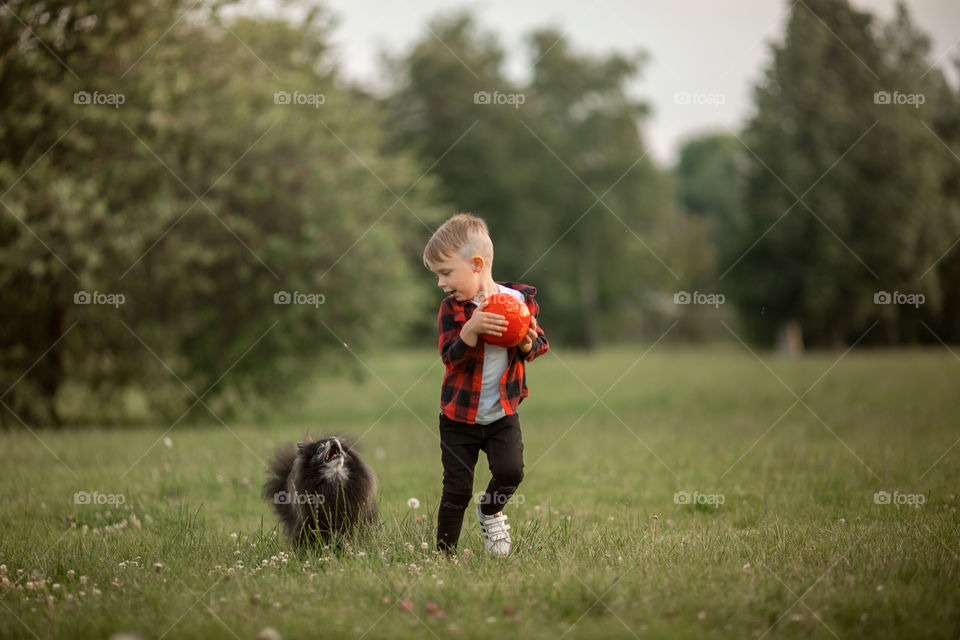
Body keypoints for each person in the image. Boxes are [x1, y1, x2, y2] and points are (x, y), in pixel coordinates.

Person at [422, 213, 549, 557]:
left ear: (477, 264)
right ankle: (444, 555)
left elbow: (539, 344)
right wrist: (471, 330)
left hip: (501, 414)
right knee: (457, 490)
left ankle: (490, 512)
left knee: (511, 471)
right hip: (458, 418)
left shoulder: (518, 302)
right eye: (438, 275)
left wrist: (526, 344)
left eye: (446, 273)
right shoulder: (453, 309)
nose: (441, 283)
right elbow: (451, 358)